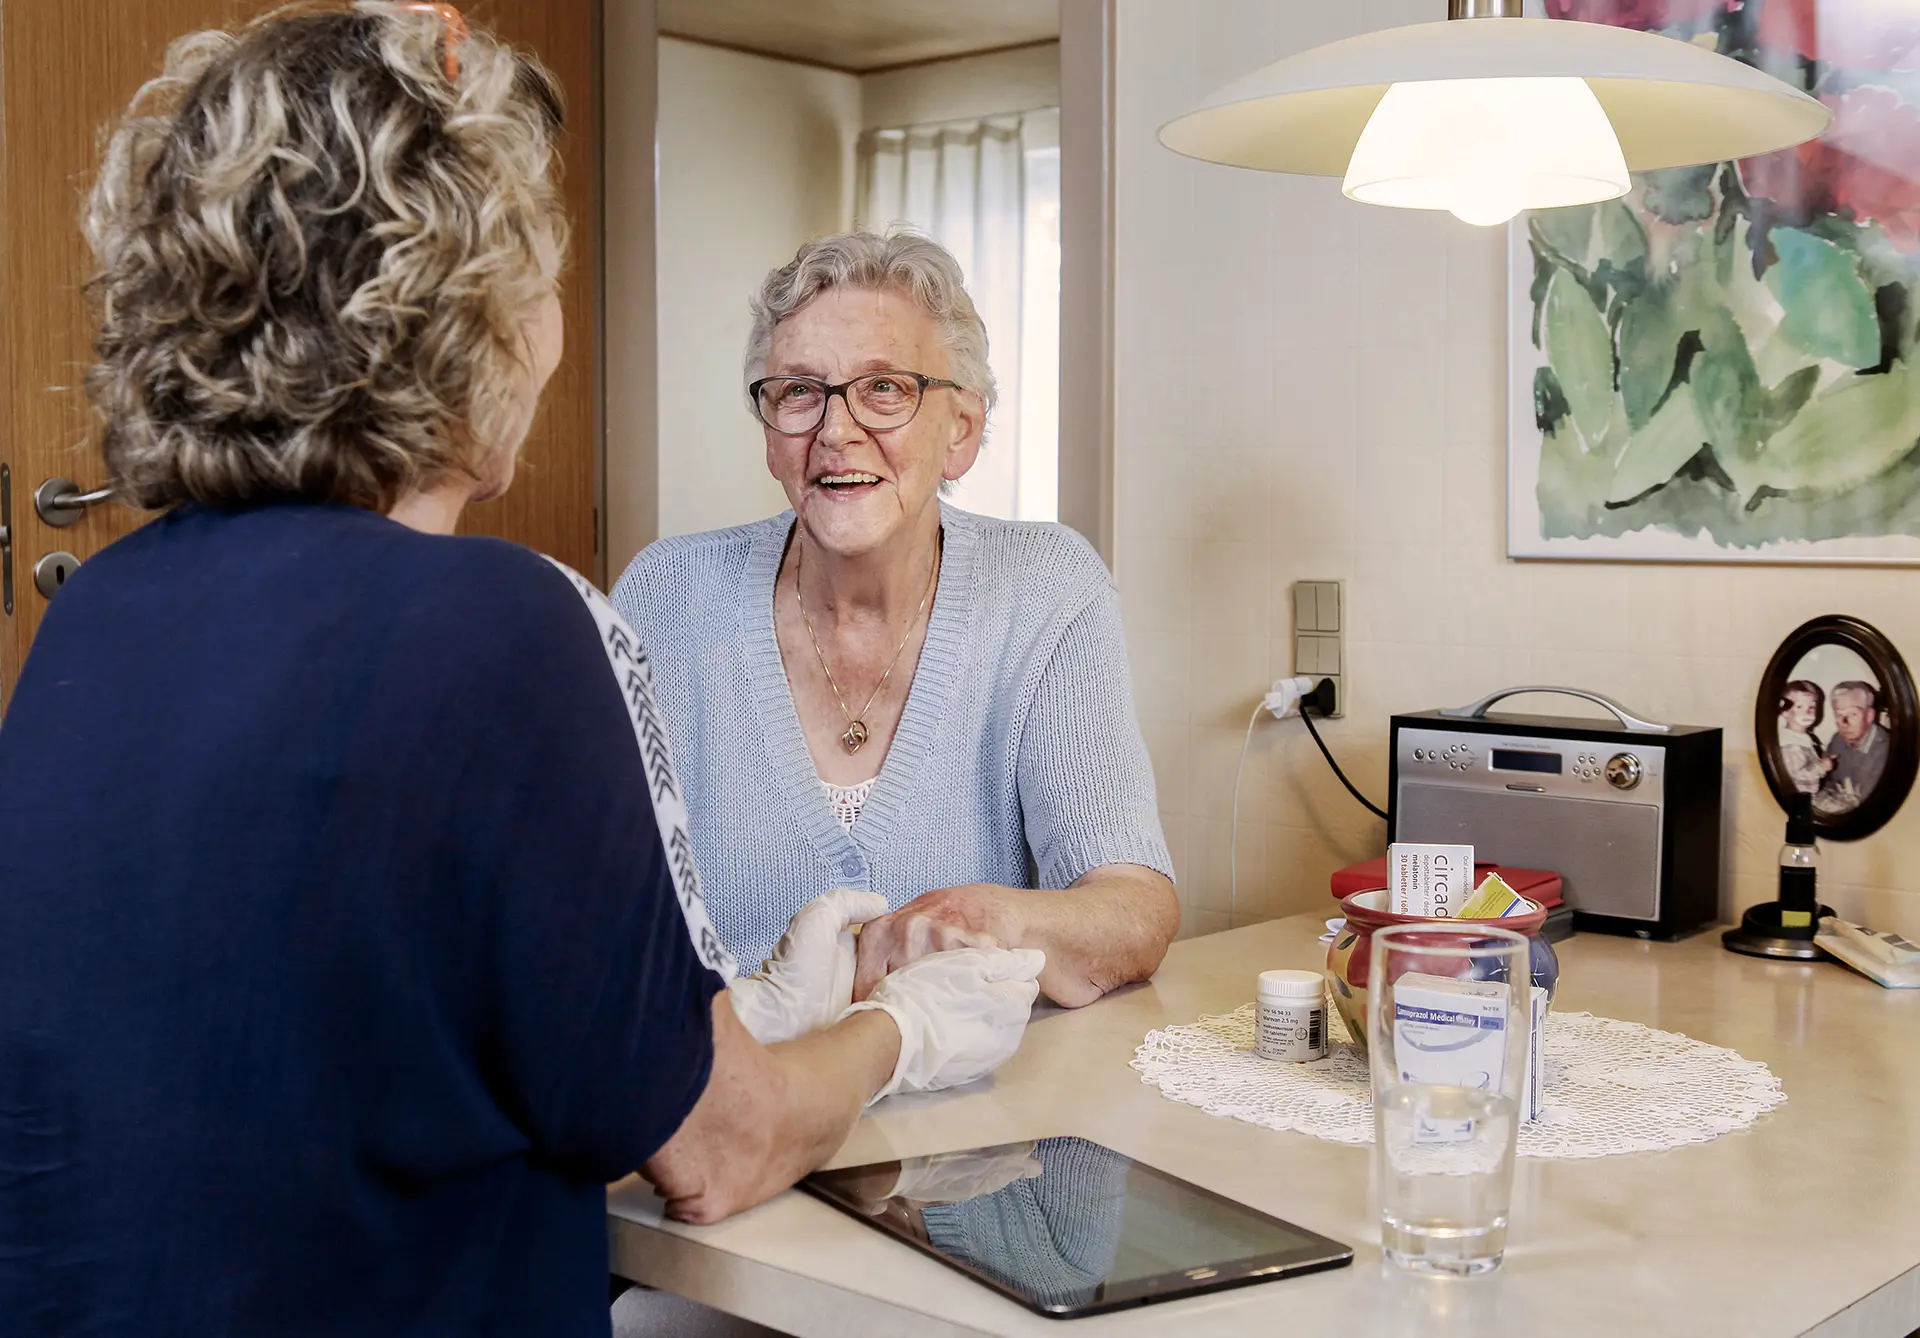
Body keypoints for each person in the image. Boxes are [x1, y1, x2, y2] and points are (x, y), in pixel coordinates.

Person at [0, 9, 1039, 1335]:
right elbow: (719, 1149)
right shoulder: (515, 627)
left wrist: (757, 1001)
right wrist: (907, 1024)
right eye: (539, 265)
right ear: (470, 314)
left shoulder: (101, 613)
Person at [613, 231, 1180, 1010]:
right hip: (726, 1096)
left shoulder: (1048, 590)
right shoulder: (665, 595)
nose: (837, 431)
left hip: (970, 1103)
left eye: (885, 389)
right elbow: (589, 902)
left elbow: (1134, 908)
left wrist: (984, 916)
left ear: (962, 430)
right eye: (800, 392)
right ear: (771, 436)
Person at [1819, 680, 1890, 815]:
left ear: (1869, 715)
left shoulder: (1886, 751)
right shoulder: (1837, 740)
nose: (1845, 723)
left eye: (1853, 714)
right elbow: (1828, 783)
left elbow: (1869, 808)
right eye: (1839, 715)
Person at [1777, 680, 1832, 795]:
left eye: (1812, 706)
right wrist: (1820, 767)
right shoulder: (1790, 744)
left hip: (1808, 795)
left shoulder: (1803, 739)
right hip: (1797, 799)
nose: (1807, 711)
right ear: (1785, 712)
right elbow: (1796, 775)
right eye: (1800, 707)